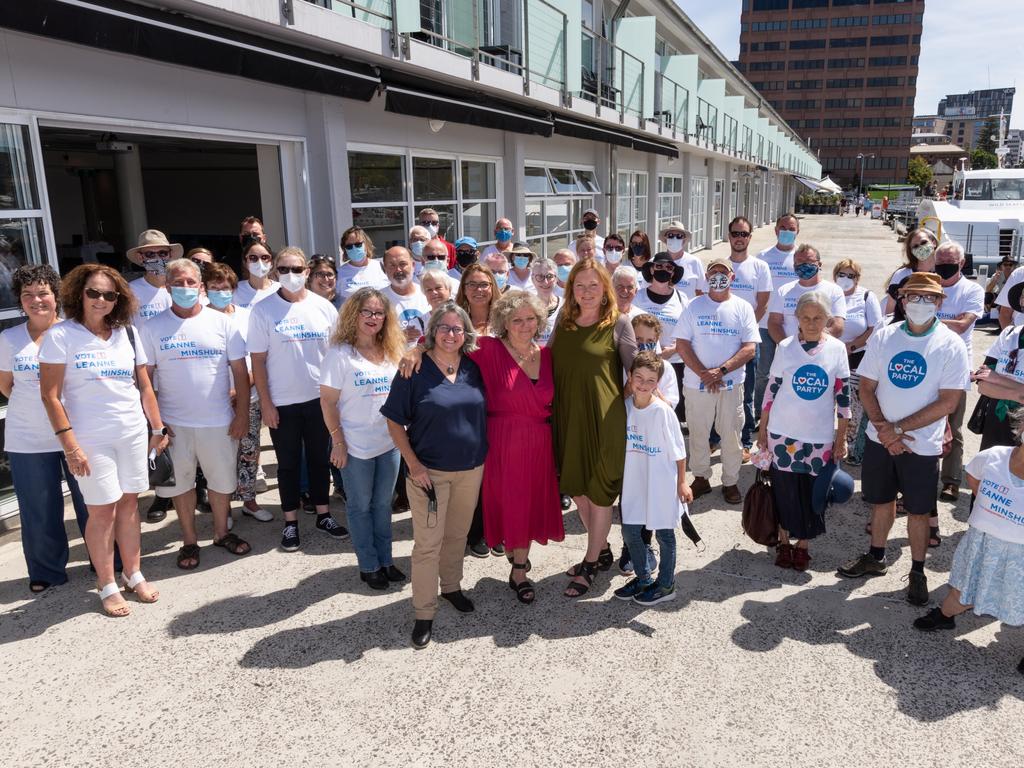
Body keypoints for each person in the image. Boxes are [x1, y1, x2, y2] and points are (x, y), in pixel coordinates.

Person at [39, 264, 169, 617]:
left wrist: (156, 429)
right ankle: (106, 583)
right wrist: (71, 445)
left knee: (129, 505)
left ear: (119, 299)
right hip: (90, 439)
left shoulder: (126, 333)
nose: (100, 300)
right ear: (78, 293)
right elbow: (50, 396)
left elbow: (143, 385)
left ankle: (134, 573)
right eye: (93, 292)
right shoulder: (60, 336)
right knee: (101, 511)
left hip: (130, 433)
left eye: (109, 294)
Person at [837, 273, 971, 606]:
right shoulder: (885, 336)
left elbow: (948, 402)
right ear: (903, 299)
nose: (920, 304)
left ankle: (917, 570)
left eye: (929, 298)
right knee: (880, 501)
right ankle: (876, 556)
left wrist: (897, 430)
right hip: (881, 439)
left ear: (940, 302)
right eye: (914, 297)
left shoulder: (951, 344)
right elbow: (866, 387)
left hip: (921, 445)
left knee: (919, 511)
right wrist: (884, 428)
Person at [382, 302, 488, 649]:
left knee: (457, 535)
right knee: (428, 544)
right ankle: (424, 612)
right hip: (429, 473)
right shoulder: (414, 369)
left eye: (458, 329)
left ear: (465, 334)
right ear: (432, 332)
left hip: (471, 469)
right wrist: (412, 464)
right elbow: (395, 421)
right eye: (444, 327)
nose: (451, 334)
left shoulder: (474, 367)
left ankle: (452, 587)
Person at [140, 259, 251, 570]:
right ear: (167, 287)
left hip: (218, 421)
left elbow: (241, 374)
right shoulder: (152, 327)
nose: (185, 288)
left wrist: (242, 414)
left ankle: (221, 532)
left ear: (201, 286)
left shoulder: (223, 323)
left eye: (191, 282)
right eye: (178, 282)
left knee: (221, 482)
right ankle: (189, 541)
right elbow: (145, 379)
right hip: (174, 425)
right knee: (181, 486)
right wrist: (157, 425)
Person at [911, 411, 1024, 678]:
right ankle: (945, 616)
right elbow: (974, 479)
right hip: (982, 543)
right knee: (965, 586)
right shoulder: (994, 456)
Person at [549, 258, 637, 598]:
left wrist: (619, 399)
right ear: (571, 290)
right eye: (579, 285)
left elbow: (638, 369)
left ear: (605, 290)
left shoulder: (619, 324)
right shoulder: (565, 321)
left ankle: (589, 563)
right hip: (568, 417)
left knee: (600, 493)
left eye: (593, 285)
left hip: (604, 422)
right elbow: (548, 360)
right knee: (579, 489)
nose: (586, 292)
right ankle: (601, 551)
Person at [248, 246, 346, 552]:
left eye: (297, 269)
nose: (291, 275)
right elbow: (258, 361)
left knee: (320, 460)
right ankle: (290, 522)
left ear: (307, 272)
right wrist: (266, 403)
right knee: (288, 464)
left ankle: (323, 514)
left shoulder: (323, 307)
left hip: (320, 401)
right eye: (284, 269)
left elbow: (336, 355)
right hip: (282, 403)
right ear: (276, 272)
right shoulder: (263, 310)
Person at [0, 265, 89, 593]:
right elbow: (7, 386)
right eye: (27, 295)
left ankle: (107, 561)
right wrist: (40, 410)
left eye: (43, 293)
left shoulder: (75, 332)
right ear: (19, 301)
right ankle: (46, 570)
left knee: (91, 502)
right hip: (27, 438)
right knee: (38, 508)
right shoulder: (8, 339)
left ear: (56, 296)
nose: (36, 300)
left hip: (77, 433)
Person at [476, 290, 564, 603]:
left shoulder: (548, 354)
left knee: (528, 504)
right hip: (503, 441)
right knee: (512, 503)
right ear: (504, 322)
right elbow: (442, 345)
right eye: (517, 320)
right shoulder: (487, 349)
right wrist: (414, 353)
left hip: (539, 442)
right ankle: (518, 566)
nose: (525, 325)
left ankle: (518, 563)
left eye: (530, 319)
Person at [320, 287, 406, 590]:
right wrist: (338, 442)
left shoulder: (393, 351)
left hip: (389, 443)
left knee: (384, 505)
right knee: (360, 506)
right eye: (366, 311)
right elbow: (328, 403)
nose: (373, 318)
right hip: (355, 446)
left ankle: (386, 560)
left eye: (379, 312)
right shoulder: (340, 353)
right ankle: (368, 565)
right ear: (354, 314)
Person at [758, 292, 850, 571]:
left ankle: (804, 546)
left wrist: (841, 437)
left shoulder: (837, 349)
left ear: (828, 319)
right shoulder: (785, 347)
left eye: (818, 318)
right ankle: (784, 542)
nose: (812, 323)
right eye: (806, 317)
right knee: (784, 491)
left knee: (814, 493)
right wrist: (762, 431)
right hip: (782, 433)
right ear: (797, 318)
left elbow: (843, 397)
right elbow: (771, 392)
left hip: (819, 437)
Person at [673, 258, 759, 504]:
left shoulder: (742, 308)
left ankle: (730, 481)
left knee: (731, 434)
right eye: (713, 272)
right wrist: (704, 373)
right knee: (698, 432)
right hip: (696, 383)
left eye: (723, 272)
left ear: (732, 277)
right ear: (707, 277)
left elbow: (749, 348)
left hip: (730, 385)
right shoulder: (693, 306)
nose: (718, 276)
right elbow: (682, 344)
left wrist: (720, 371)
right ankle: (701, 478)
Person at [613, 351, 692, 604]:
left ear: (658, 382)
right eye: (639, 377)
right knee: (630, 531)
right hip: (635, 482)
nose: (644, 384)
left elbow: (679, 451)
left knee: (664, 535)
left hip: (661, 483)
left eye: (650, 380)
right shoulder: (625, 408)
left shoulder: (663, 412)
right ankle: (644, 578)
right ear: (630, 376)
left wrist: (682, 481)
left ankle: (667, 585)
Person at [202, 263, 273, 523]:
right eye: (214, 287)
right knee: (219, 457)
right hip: (214, 402)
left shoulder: (247, 316)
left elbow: (258, 357)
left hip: (249, 396)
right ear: (205, 290)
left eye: (225, 287)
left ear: (234, 289)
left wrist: (243, 386)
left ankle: (249, 500)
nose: (220, 291)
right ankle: (224, 508)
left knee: (249, 451)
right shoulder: (200, 318)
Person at [710, 216, 772, 457]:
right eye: (735, 233)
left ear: (749, 237)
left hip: (747, 342)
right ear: (729, 236)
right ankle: (714, 438)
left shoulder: (759, 267)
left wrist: (745, 333)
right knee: (718, 392)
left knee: (745, 393)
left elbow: (763, 305)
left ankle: (745, 442)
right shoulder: (720, 266)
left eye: (744, 234)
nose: (739, 238)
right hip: (720, 341)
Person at [933, 241, 985, 503]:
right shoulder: (929, 283)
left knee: (953, 427)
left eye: (949, 262)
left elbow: (963, 325)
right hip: (927, 364)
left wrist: (926, 320)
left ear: (961, 263)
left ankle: (951, 480)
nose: (943, 267)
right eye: (939, 261)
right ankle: (923, 475)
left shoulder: (972, 290)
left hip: (956, 368)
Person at [832, 259, 882, 466]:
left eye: (850, 275)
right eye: (841, 274)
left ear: (858, 278)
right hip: (830, 357)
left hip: (856, 357)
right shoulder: (829, 295)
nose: (845, 279)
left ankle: (851, 447)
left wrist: (851, 346)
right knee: (827, 402)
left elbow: (875, 328)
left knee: (853, 405)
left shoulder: (867, 297)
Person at [634, 252, 689, 423]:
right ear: (651, 269)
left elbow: (688, 331)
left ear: (673, 272)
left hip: (674, 362)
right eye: (659, 266)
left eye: (668, 267)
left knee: (669, 409)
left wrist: (673, 350)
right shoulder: (638, 297)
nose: (663, 270)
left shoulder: (682, 298)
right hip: (642, 363)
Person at [754, 214, 800, 419]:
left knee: (790, 372)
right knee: (763, 373)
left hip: (792, 327)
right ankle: (759, 413)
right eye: (783, 227)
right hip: (765, 325)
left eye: (791, 229)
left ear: (797, 231)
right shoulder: (762, 257)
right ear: (775, 230)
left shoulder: (801, 258)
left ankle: (786, 413)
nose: (787, 232)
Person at [767, 244, 846, 343]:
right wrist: (787, 346)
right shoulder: (784, 290)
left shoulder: (834, 290)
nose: (804, 264)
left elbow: (838, 327)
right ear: (794, 265)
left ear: (819, 264)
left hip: (822, 350)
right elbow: (774, 323)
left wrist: (815, 342)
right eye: (799, 261)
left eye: (809, 261)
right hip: (791, 352)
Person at [382, 246, 431, 348]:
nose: (398, 270)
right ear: (385, 269)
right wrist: (398, 337)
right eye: (392, 265)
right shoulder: (378, 300)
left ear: (413, 265)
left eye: (403, 264)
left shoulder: (429, 293)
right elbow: (370, 337)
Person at [125, 229, 175, 326]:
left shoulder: (183, 286)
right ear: (140, 258)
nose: (157, 258)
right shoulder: (129, 291)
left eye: (163, 253)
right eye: (150, 254)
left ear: (170, 255)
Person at [883, 228, 938, 315]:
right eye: (915, 246)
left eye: (924, 242)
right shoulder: (901, 275)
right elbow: (889, 311)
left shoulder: (945, 274)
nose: (921, 247)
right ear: (912, 252)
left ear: (934, 242)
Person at [337, 226, 389, 302]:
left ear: (366, 244)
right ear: (344, 249)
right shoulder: (339, 273)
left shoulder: (381, 266)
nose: (354, 248)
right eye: (349, 246)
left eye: (358, 244)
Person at [660, 221, 702, 299]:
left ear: (684, 240)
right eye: (670, 235)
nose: (674, 239)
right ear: (665, 239)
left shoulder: (695, 262)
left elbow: (700, 292)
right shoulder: (655, 263)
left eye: (679, 236)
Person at [455, 262, 499, 338]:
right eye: (472, 284)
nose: (478, 289)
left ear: (492, 287)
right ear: (464, 289)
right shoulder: (454, 321)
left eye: (484, 284)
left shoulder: (505, 320)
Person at [235, 240, 280, 310]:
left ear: (271, 262)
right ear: (245, 262)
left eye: (265, 257)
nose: (259, 262)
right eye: (253, 258)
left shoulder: (280, 289)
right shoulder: (235, 290)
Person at [531, 256, 563, 343]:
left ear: (556, 279)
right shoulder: (526, 306)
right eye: (539, 277)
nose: (545, 282)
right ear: (532, 279)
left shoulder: (565, 305)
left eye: (550, 276)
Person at [983, 257, 1016, 321]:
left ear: (1013, 266)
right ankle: (990, 313)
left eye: (1010, 265)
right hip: (1000, 297)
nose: (1008, 267)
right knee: (987, 296)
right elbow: (988, 290)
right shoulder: (998, 275)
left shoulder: (1017, 275)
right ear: (1001, 266)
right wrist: (995, 280)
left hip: (1013, 298)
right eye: (1005, 265)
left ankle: (993, 317)